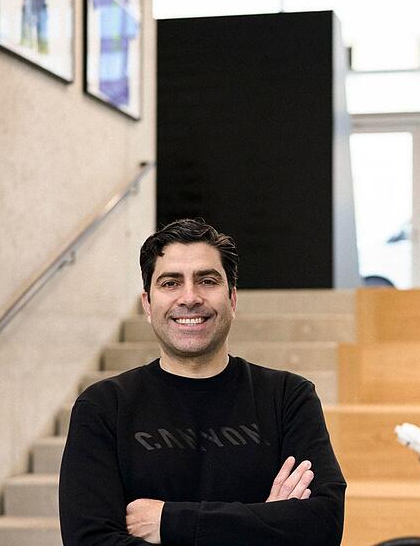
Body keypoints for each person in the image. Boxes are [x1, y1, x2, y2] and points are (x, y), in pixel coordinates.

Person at [59, 218, 346, 545]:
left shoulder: (287, 397)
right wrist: (263, 524)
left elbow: (323, 526)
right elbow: (89, 541)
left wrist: (170, 521)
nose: (190, 297)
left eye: (207, 281)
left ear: (232, 299)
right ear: (148, 305)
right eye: (170, 283)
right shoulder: (103, 407)